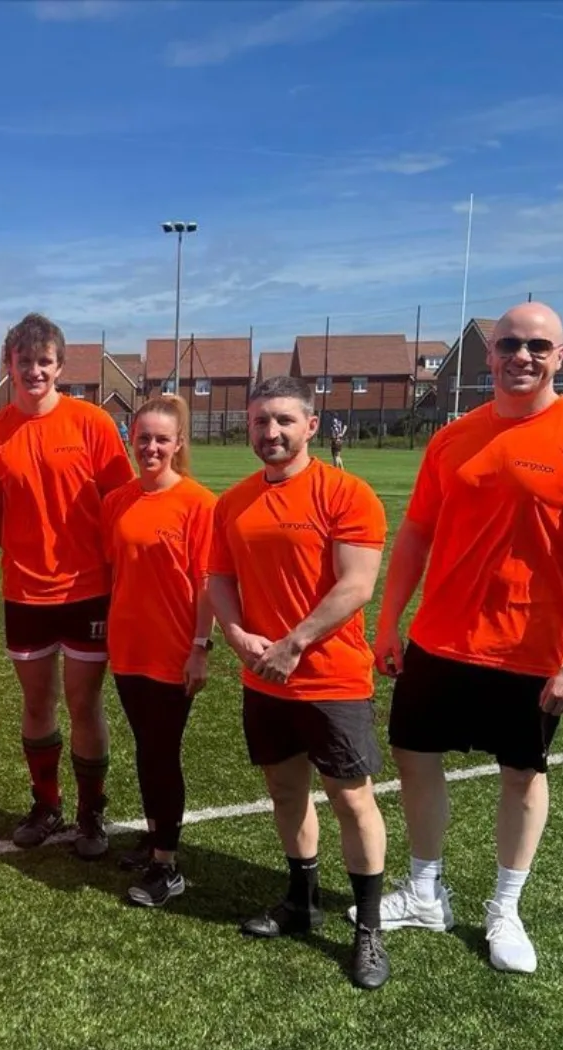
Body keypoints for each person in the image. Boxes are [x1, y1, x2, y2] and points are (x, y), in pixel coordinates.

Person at [372, 302, 563, 974]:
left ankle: (505, 908)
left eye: (537, 345)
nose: (522, 356)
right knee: (413, 754)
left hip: (530, 650)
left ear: (561, 354)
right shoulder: (453, 438)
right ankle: (426, 891)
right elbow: (416, 534)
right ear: (488, 356)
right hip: (440, 639)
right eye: (509, 345)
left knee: (521, 776)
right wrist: (387, 620)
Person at [207, 375, 392, 990]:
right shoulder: (231, 503)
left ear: (312, 425)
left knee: (350, 798)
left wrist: (293, 644)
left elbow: (356, 585)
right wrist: (235, 636)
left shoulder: (347, 493)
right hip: (264, 680)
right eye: (260, 422)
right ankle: (301, 900)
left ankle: (367, 928)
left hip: (331, 679)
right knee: (286, 794)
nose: (271, 432)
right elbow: (219, 581)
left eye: (284, 420)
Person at [0, 313, 136, 858]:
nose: (34, 370)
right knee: (37, 701)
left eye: (45, 361)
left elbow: (121, 504)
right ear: (9, 364)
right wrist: (28, 553)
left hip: (89, 590)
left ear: (60, 367)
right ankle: (47, 804)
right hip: (25, 593)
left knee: (84, 703)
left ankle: (92, 814)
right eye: (25, 360)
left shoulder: (91, 423)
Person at [99, 395, 215, 906]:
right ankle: (154, 840)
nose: (151, 447)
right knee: (147, 749)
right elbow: (114, 571)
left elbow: (208, 582)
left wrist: (200, 648)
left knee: (162, 754)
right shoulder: (117, 501)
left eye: (161, 439)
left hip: (173, 649)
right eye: (143, 437)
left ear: (178, 444)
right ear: (131, 439)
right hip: (127, 647)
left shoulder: (198, 503)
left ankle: (168, 866)